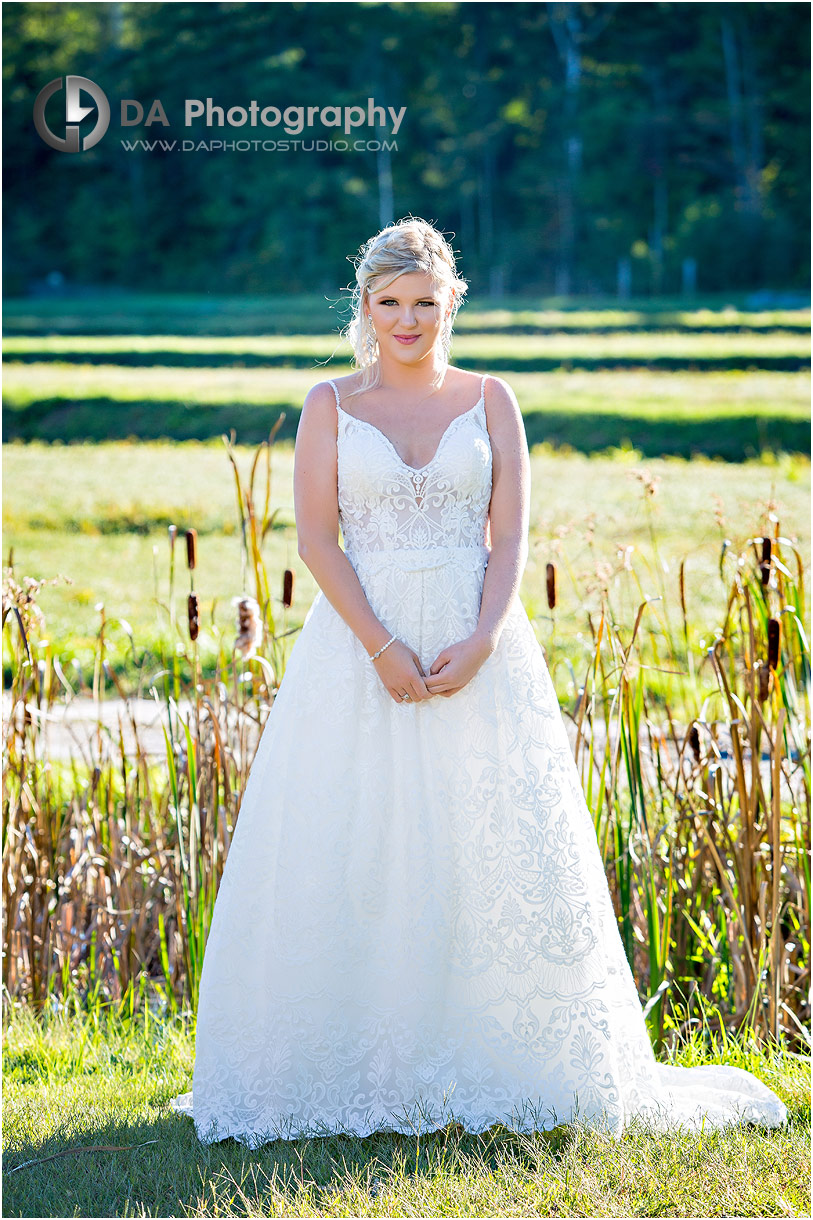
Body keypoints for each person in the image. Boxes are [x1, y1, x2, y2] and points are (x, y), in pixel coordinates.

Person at [170, 218, 787, 1146]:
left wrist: (487, 638)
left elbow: (510, 541)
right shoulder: (328, 404)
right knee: (355, 841)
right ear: (365, 308)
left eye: (424, 301)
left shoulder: (492, 401)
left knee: (486, 842)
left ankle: (502, 1053)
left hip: (476, 644)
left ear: (450, 301)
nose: (407, 319)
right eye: (389, 303)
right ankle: (351, 1060)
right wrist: (379, 646)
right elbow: (314, 542)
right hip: (357, 650)